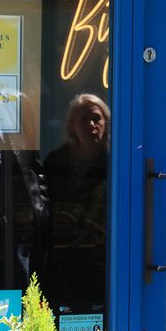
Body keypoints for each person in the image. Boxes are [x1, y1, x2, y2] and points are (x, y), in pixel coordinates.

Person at [43, 93, 110, 314]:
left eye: (97, 119)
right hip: (60, 255)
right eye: (84, 120)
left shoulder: (116, 162)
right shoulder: (56, 160)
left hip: (102, 256)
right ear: (72, 126)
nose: (92, 125)